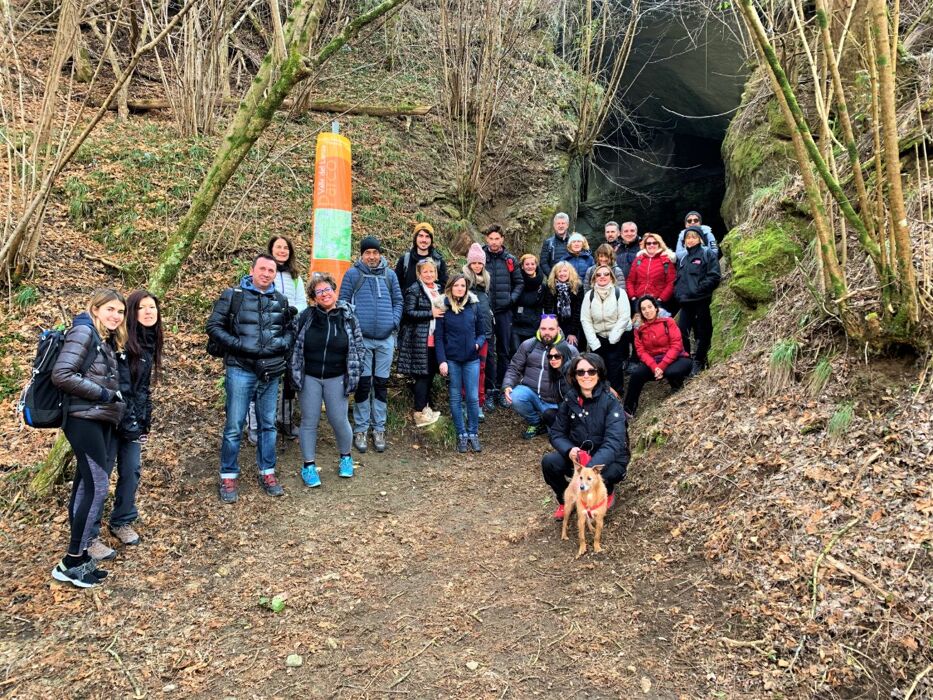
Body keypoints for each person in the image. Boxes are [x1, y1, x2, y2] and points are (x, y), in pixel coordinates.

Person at [50, 289, 126, 587]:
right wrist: (105, 394)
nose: (115, 316)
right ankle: (70, 561)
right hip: (84, 418)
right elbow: (62, 375)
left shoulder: (101, 338)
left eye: (119, 312)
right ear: (95, 309)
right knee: (97, 484)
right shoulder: (83, 332)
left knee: (86, 484)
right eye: (109, 309)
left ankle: (78, 557)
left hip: (95, 417)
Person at [207, 253, 295, 503]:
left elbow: (289, 329)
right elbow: (213, 326)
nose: (267, 274)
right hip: (240, 369)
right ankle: (228, 475)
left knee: (268, 424)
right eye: (263, 269)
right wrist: (238, 345)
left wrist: (281, 343)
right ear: (252, 270)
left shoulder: (280, 299)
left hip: (271, 371)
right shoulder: (233, 295)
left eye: (271, 270)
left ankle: (267, 472)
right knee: (234, 426)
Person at [289, 273, 364, 486]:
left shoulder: (348, 316)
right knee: (309, 421)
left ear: (334, 290)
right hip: (309, 376)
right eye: (318, 292)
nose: (324, 294)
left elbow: (359, 347)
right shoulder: (306, 317)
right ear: (313, 297)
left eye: (327, 289)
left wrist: (357, 373)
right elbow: (294, 343)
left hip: (337, 376)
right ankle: (309, 466)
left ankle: (346, 458)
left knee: (339, 420)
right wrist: (292, 372)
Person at [105, 290, 163, 551]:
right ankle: (89, 532)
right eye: (143, 308)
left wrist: (144, 420)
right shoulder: (121, 342)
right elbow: (123, 388)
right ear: (132, 312)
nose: (149, 312)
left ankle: (122, 520)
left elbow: (143, 389)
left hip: (132, 423)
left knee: (131, 470)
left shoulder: (149, 342)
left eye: (153, 307)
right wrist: (130, 423)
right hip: (110, 421)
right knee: (100, 475)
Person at [541, 353, 630, 520]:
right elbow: (557, 433)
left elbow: (614, 442)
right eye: (580, 372)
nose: (586, 375)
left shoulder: (611, 401)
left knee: (610, 472)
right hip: (578, 458)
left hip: (607, 459)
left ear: (600, 373)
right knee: (549, 462)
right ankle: (565, 500)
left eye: (591, 371)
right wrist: (569, 450)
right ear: (574, 376)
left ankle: (607, 491)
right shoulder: (570, 399)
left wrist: (587, 471)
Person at [338, 236, 403, 454]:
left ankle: (379, 428)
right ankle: (361, 428)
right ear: (362, 254)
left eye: (375, 252)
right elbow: (343, 303)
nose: (372, 257)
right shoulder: (353, 274)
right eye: (368, 253)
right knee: (364, 384)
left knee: (382, 384)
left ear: (380, 254)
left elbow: (398, 301)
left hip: (385, 339)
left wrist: (393, 323)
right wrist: (353, 330)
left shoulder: (390, 275)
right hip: (362, 340)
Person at [244, 235, 307, 444]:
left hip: (289, 331)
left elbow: (302, 303)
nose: (282, 251)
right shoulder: (261, 274)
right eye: (278, 247)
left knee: (289, 379)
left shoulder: (295, 276)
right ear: (271, 250)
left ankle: (285, 419)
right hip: (262, 334)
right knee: (259, 377)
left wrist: (289, 313)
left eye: (286, 248)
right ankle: (254, 424)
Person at [502, 315, 577, 439]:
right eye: (543, 328)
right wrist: (507, 385)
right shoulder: (528, 345)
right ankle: (536, 422)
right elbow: (514, 367)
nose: (546, 332)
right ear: (539, 329)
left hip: (555, 402)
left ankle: (551, 422)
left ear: (558, 329)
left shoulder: (570, 350)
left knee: (558, 433)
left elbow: (577, 378)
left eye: (551, 329)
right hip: (533, 394)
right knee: (516, 395)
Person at [435, 274, 485, 453]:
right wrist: (442, 361)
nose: (460, 288)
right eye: (456, 285)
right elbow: (439, 338)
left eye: (463, 286)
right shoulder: (443, 307)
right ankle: (461, 433)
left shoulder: (473, 306)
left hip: (471, 359)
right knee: (455, 397)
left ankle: (473, 432)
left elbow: (482, 332)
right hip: (452, 360)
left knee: (472, 397)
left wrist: (477, 344)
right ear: (450, 287)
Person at [623, 295, 692, 417]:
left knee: (671, 372)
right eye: (643, 309)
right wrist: (655, 367)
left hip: (677, 358)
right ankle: (628, 410)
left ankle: (679, 388)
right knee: (637, 375)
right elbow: (641, 351)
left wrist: (662, 366)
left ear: (656, 308)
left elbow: (676, 345)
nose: (647, 311)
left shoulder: (668, 322)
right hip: (654, 362)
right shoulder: (639, 329)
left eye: (650, 307)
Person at [398, 259, 444, 427]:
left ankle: (426, 408)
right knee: (422, 376)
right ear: (419, 274)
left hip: (435, 339)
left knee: (430, 373)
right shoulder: (414, 290)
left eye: (432, 271)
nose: (429, 274)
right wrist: (429, 313)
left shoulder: (439, 290)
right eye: (425, 272)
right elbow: (408, 313)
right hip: (419, 339)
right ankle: (419, 412)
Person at [482, 224, 523, 407]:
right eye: (491, 238)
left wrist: (511, 300)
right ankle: (490, 390)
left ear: (502, 240)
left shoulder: (510, 260)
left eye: (497, 238)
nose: (494, 242)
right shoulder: (480, 258)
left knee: (504, 351)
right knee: (489, 353)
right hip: (486, 312)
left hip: (505, 312)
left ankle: (503, 388)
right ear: (486, 239)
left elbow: (519, 283)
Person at [675, 226, 722, 376]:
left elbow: (714, 276)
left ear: (700, 238)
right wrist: (678, 294)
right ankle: (687, 361)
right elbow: (679, 280)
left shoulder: (707, 253)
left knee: (703, 332)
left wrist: (699, 290)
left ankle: (699, 361)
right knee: (681, 332)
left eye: (694, 237)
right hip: (686, 303)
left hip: (702, 300)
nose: (691, 240)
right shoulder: (683, 259)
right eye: (688, 237)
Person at [581, 265, 631, 395]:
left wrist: (613, 338)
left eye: (606, 274)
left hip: (616, 338)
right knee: (598, 370)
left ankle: (617, 398)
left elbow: (624, 317)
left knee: (615, 370)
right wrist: (594, 342)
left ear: (611, 277)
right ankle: (600, 398)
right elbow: (585, 320)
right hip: (597, 338)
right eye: (599, 275)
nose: (602, 277)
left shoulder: (619, 293)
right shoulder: (589, 296)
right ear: (594, 278)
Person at [462, 243, 494, 419]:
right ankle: (466, 402)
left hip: (485, 333)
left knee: (481, 370)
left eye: (480, 263)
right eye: (474, 263)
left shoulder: (487, 282)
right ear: (469, 264)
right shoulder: (463, 282)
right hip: (467, 335)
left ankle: (478, 403)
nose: (477, 266)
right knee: (467, 369)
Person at [625, 232, 676, 312]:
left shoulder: (666, 260)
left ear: (659, 244)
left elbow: (671, 282)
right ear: (645, 245)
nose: (651, 245)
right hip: (639, 302)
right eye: (648, 243)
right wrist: (633, 297)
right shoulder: (638, 260)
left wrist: (661, 299)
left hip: (657, 302)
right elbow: (630, 281)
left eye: (654, 243)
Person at [540, 261, 583, 348]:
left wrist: (572, 332)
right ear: (555, 274)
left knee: (572, 350)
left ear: (570, 272)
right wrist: (554, 326)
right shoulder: (550, 286)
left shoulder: (578, 286)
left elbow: (578, 310)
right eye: (559, 271)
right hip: (556, 324)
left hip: (573, 325)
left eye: (565, 271)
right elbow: (548, 308)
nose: (562, 274)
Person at [395, 222, 449, 289]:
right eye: (421, 236)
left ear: (431, 240)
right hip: (408, 298)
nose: (424, 240)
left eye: (427, 236)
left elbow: (444, 287)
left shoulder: (438, 262)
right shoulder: (405, 260)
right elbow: (396, 286)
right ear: (415, 238)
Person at [511, 253, 545, 350]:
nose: (530, 267)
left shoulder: (542, 287)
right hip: (516, 325)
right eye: (527, 264)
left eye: (532, 264)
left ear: (536, 265)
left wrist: (539, 323)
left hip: (533, 325)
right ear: (522, 266)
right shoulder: (516, 283)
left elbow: (541, 307)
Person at [540, 340, 575, 428]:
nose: (553, 359)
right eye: (550, 357)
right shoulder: (556, 374)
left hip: (580, 414)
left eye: (557, 356)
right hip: (567, 412)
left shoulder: (573, 372)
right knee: (548, 414)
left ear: (565, 355)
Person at [538, 211, 571, 278]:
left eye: (563, 223)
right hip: (554, 281)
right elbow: (543, 263)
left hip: (572, 280)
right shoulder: (548, 243)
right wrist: (552, 276)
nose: (560, 226)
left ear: (567, 225)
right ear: (554, 225)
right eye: (558, 223)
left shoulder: (574, 242)